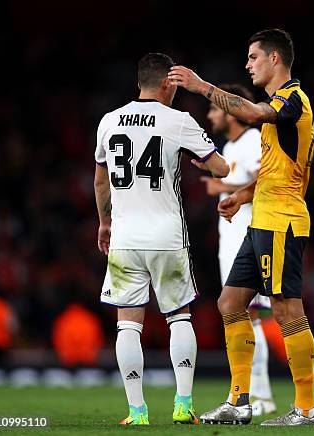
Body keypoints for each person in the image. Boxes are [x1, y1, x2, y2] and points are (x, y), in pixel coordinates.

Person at [168, 28, 314, 426]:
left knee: (287, 310)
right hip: (262, 217)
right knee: (230, 303)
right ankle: (239, 401)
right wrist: (244, 194)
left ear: (274, 58)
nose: (248, 64)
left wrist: (202, 87)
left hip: (283, 222)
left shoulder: (293, 100)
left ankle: (304, 407)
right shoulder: (276, 109)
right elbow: (276, 171)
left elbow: (251, 113)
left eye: (253, 57)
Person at [94, 52, 229, 426]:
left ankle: (137, 412)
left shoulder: (109, 121)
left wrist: (104, 224)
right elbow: (222, 167)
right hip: (167, 236)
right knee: (179, 316)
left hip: (124, 238)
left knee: (127, 323)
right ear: (168, 83)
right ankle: (183, 405)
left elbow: (100, 179)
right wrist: (201, 159)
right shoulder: (178, 121)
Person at [204, 83, 276, 416]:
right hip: (231, 239)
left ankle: (260, 395)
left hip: (250, 236)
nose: (210, 114)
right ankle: (246, 392)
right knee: (240, 316)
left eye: (215, 109)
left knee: (252, 317)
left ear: (230, 114)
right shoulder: (229, 147)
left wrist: (222, 185)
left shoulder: (251, 141)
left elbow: (266, 179)